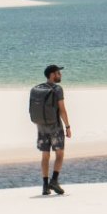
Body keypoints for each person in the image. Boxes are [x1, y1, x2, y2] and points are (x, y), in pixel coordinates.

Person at [37, 64, 71, 195]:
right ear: (52, 75)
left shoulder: (39, 88)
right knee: (60, 154)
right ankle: (54, 181)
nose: (60, 75)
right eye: (58, 73)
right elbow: (62, 109)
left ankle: (45, 186)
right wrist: (67, 126)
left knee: (45, 155)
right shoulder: (57, 89)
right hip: (55, 126)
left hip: (41, 127)